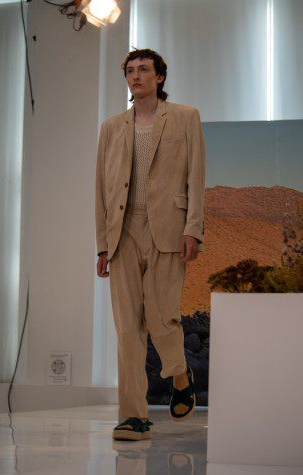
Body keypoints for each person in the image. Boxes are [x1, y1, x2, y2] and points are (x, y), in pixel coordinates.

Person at [95, 48, 206, 441]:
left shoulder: (185, 117)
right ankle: (134, 416)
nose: (136, 75)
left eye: (144, 70)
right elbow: (102, 190)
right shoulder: (111, 127)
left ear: (160, 77)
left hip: (169, 229)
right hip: (122, 232)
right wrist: (102, 244)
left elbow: (196, 176)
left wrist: (193, 228)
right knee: (128, 328)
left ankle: (180, 372)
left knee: (161, 318)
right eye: (130, 70)